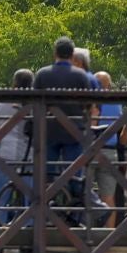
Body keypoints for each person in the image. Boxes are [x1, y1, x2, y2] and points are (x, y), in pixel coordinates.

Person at [33, 37, 99, 216]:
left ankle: (45, 215)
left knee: (46, 176)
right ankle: (81, 215)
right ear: (72, 55)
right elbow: (88, 105)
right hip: (74, 131)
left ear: (55, 53)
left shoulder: (42, 74)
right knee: (75, 175)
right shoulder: (81, 76)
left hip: (49, 131)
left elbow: (34, 104)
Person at [0, 69, 35, 225]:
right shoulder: (36, 104)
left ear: (14, 82)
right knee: (28, 198)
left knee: (1, 196)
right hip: (27, 155)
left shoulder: (2, 103)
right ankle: (27, 234)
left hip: (5, 155)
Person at [90, 73, 125, 224]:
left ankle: (86, 232)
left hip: (91, 151)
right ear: (109, 85)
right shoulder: (116, 104)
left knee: (84, 193)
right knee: (108, 196)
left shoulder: (91, 101)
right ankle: (109, 235)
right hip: (110, 151)